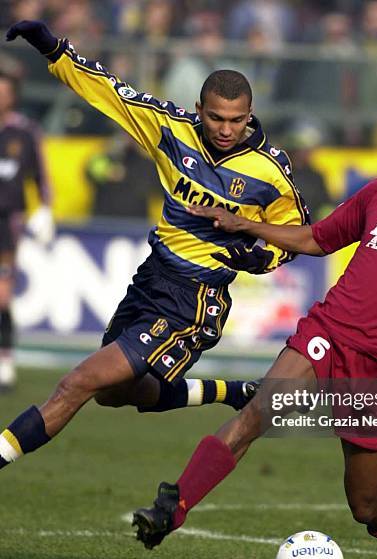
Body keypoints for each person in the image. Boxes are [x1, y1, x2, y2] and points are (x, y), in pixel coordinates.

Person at [131, 118, 377, 559]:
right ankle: (174, 506)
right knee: (255, 415)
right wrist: (248, 224)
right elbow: (316, 239)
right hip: (328, 332)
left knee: (365, 505)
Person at [0, 23, 308, 470]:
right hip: (150, 280)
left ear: (250, 113)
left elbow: (297, 235)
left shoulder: (270, 170)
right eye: (216, 117)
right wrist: (53, 48)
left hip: (192, 299)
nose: (225, 129)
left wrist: (255, 255)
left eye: (236, 120)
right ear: (199, 108)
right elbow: (109, 92)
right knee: (110, 394)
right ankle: (231, 390)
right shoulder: (170, 129)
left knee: (78, 382)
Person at [0, 71, 53, 391]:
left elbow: (42, 177)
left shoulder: (25, 132)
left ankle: (4, 361)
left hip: (6, 222)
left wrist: (45, 210)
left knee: (2, 297)